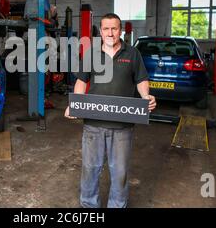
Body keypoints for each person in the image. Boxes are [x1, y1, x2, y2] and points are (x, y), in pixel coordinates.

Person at [64, 13, 156, 208]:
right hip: (93, 125)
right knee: (90, 169)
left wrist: (146, 96)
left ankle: (117, 205)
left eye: (114, 28)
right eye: (106, 28)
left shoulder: (132, 54)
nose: (110, 32)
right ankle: (89, 206)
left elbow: (141, 80)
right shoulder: (92, 53)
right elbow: (81, 80)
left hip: (123, 127)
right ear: (101, 31)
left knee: (120, 171)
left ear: (120, 30)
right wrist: (76, 104)